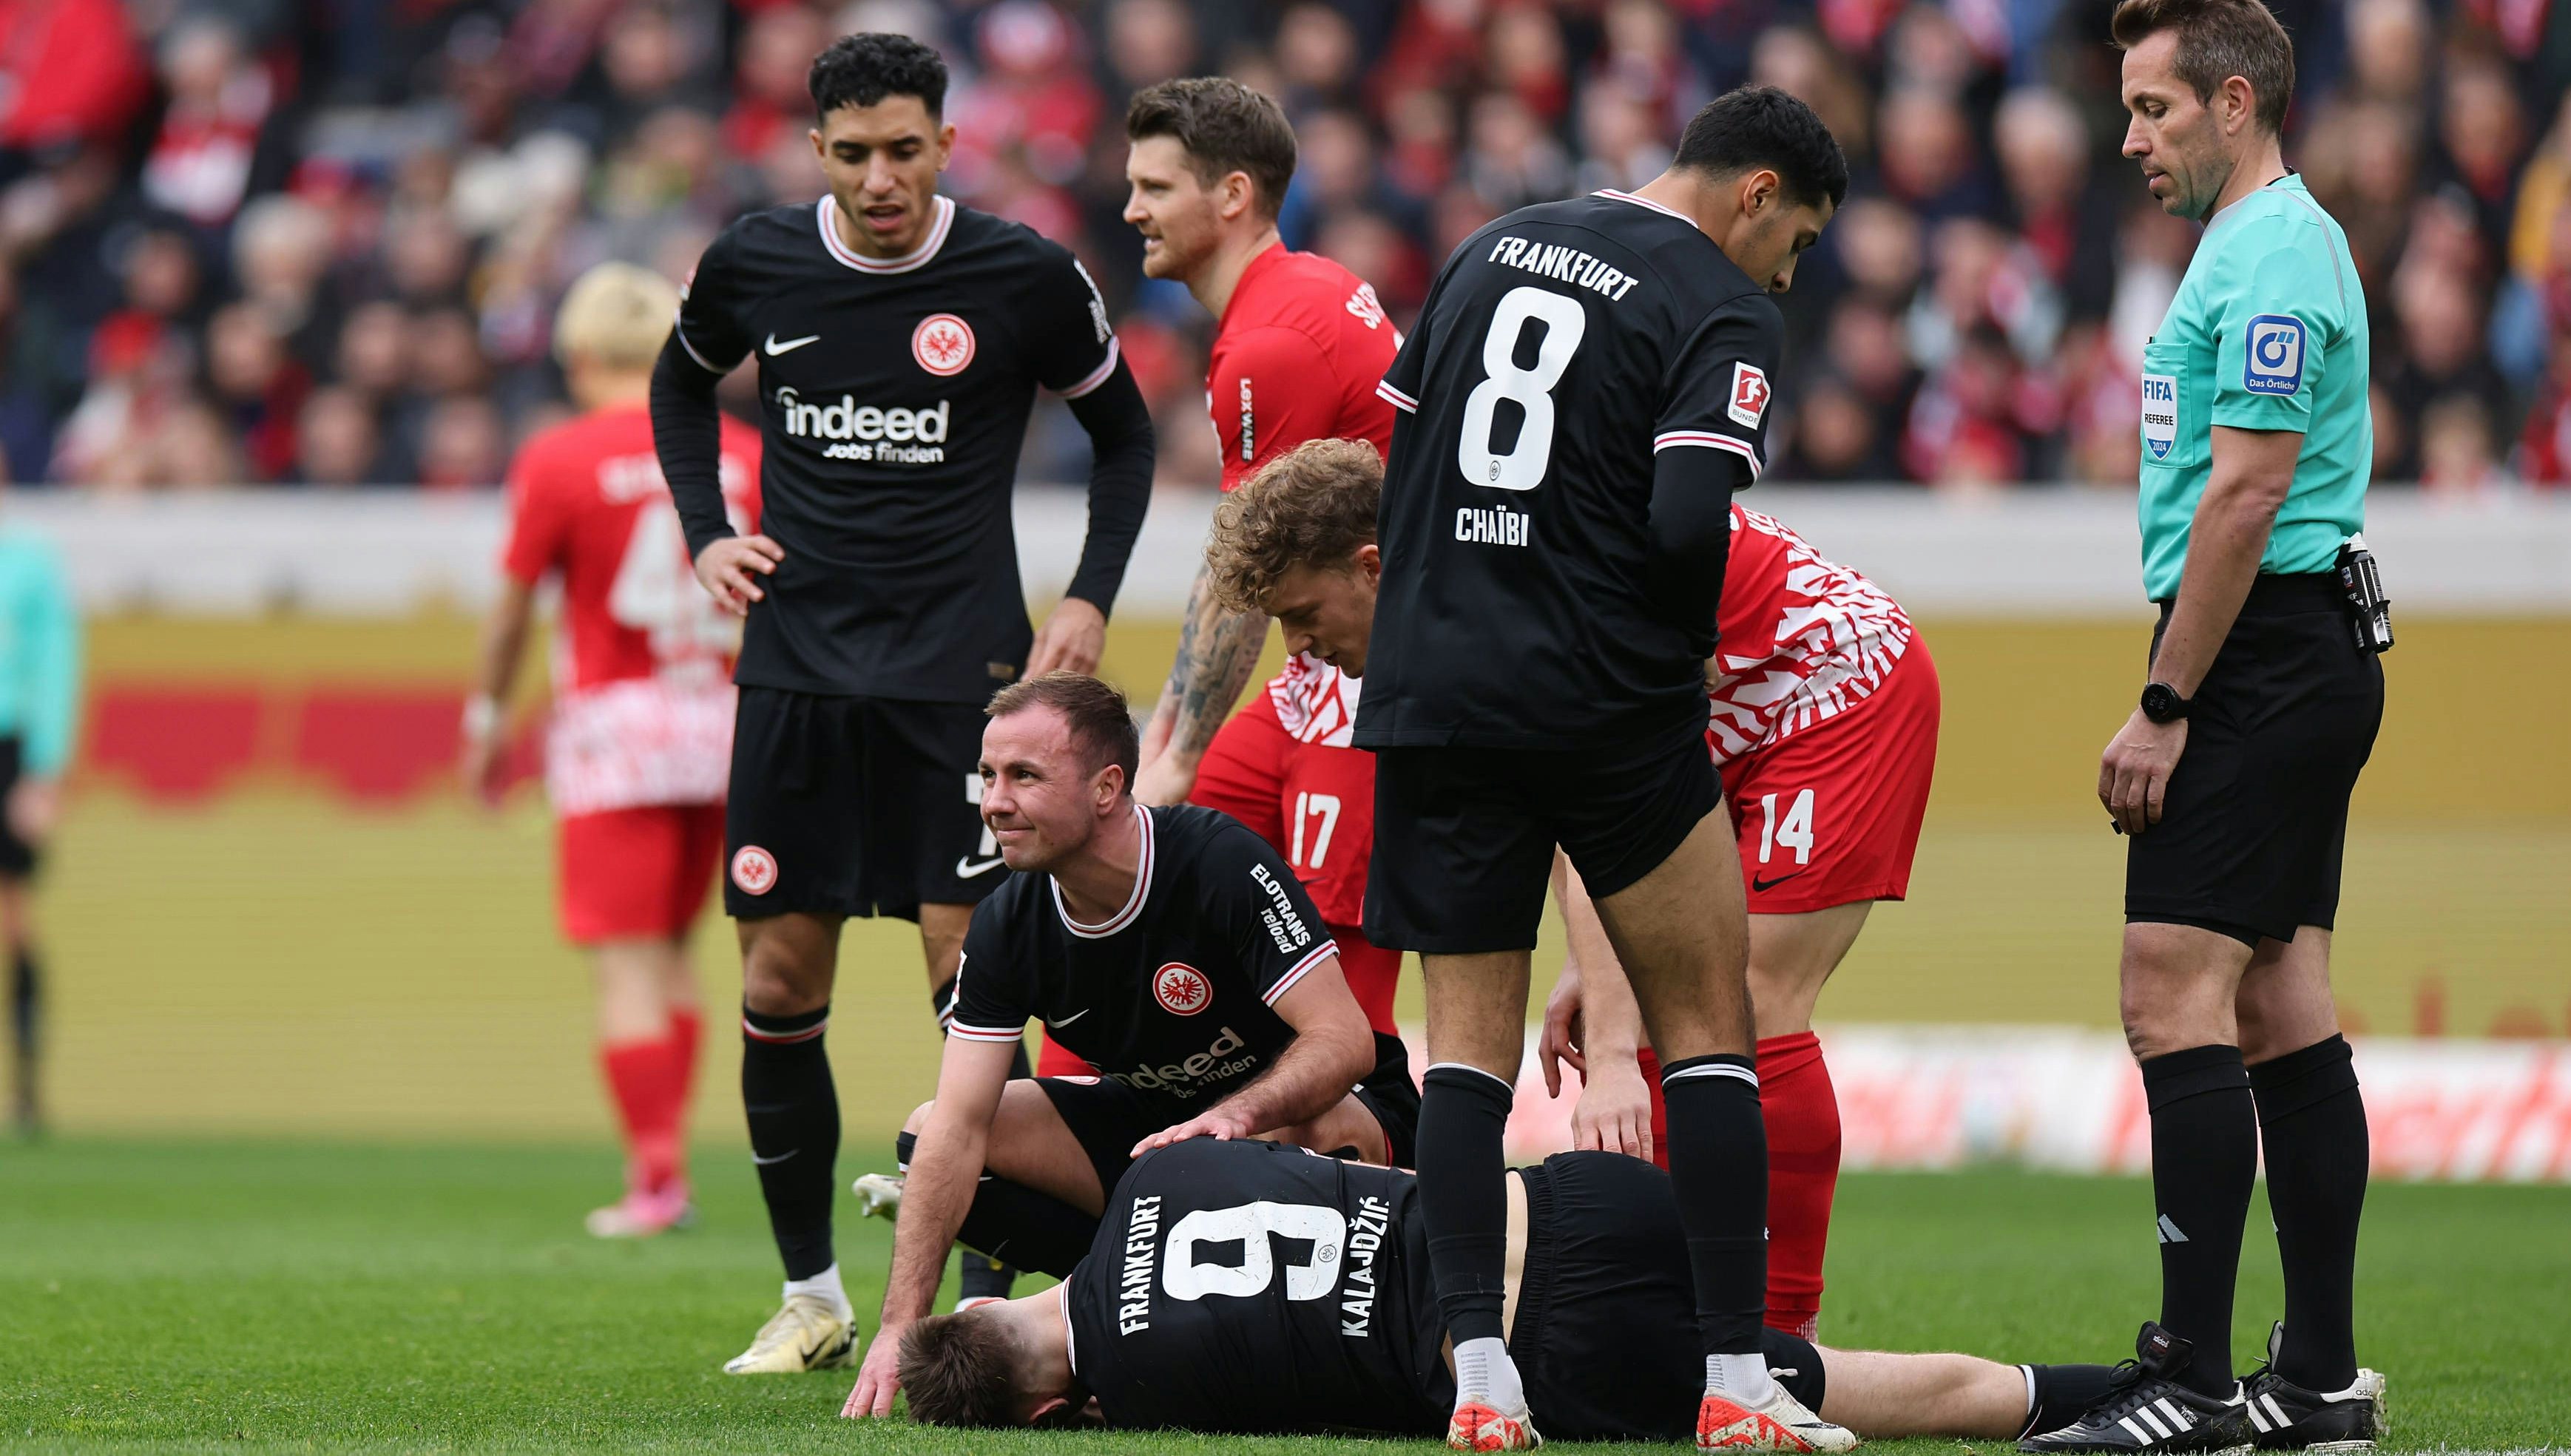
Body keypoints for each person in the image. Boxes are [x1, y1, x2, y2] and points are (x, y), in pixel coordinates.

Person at [649, 33, 1158, 1374]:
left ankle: (981, 1282)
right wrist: (707, 528)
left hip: (961, 683)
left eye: (906, 150)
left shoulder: (1021, 276)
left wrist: (1091, 595)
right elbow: (678, 382)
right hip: (799, 676)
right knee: (776, 973)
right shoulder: (756, 259)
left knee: (971, 979)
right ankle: (811, 1292)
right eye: (856, 153)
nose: (883, 177)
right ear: (819, 150)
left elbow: (1125, 430)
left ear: (946, 144)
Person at [1359, 85, 1846, 1449]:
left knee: (1464, 1055)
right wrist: (1679, 651)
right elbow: (1693, 506)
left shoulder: (1489, 243)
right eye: (1795, 239)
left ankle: (1477, 1374)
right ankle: (1738, 1381)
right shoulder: (1721, 302)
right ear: (1754, 193)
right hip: (1601, 702)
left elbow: (1400, 453)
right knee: (1710, 1024)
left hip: (1437, 689)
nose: (1789, 271)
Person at [2028, 3, 2389, 1451]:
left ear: (2234, 103)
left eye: (2154, 109)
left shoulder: (2277, 252)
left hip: (2259, 655)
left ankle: (2188, 1377)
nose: (2129, 139)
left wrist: (2168, 702)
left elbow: (2245, 496)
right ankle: (2312, 1379)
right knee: (2272, 1005)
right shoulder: (2247, 249)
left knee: (2163, 991)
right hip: (2285, 647)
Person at [840, 670, 1418, 1418]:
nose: (993, 802)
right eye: (987, 775)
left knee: (1312, 1123)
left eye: (1023, 776)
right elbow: (959, 1124)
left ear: (1107, 786)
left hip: (1325, 1121)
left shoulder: (1214, 860)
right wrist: (898, 1326)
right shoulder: (1006, 924)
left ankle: (1256, 1334)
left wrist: (1235, 1121)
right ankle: (1117, 1321)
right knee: (930, 1137)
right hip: (1170, 1146)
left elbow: (1344, 1040)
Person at [891, 1136, 2129, 1447]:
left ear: (1049, 1412)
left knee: (1853, 1378)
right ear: (1011, 1295)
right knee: (1780, 1340)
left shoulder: (1143, 1390)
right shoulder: (1168, 1172)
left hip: (1560, 1343)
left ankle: (2145, 1399)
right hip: (1577, 1197)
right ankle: (2192, 1385)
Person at [1538, 501, 1938, 1343]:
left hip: (1833, 680)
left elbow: (1593, 782)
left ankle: (1784, 1337)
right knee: (1661, 1000)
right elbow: (1568, 794)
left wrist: (1610, 1059)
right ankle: (1686, 1322)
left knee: (1742, 997)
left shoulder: (1526, 573)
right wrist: (1591, 955)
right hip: (1708, 707)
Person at [462, 262, 761, 1238]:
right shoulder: (748, 453)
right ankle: (670, 1160)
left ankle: (656, 1173)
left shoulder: (558, 458)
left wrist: (484, 719)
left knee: (628, 965)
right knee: (678, 954)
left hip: (616, 734)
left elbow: (512, 609)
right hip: (729, 722)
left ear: (578, 355)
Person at [1113, 75, 1406, 1046]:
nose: (1132, 209)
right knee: (1138, 877)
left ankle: (1365, 1186)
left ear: (1231, 195)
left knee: (1339, 1003)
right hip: (1323, 680)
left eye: (1156, 186)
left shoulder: (1273, 339)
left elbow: (1249, 569)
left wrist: (1175, 757)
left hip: (1374, 682)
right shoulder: (1307, 292)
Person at [0, 495, 78, 1137]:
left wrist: (45, 770)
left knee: (13, 916)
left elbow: (55, 666)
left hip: (9, 747)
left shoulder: (28, 562)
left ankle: (26, 1088)